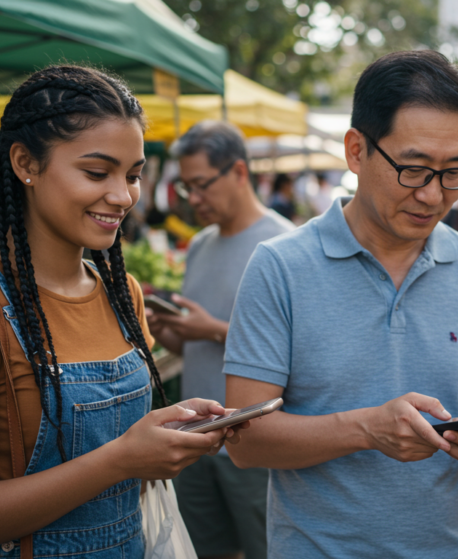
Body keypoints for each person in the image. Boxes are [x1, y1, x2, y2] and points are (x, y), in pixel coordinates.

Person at [0, 66, 243, 557]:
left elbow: (124, 446)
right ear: (25, 163)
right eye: (96, 172)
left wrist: (170, 434)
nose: (123, 196)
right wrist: (124, 460)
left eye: (133, 175)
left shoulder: (122, 292)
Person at [222, 50, 458, 559]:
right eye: (413, 169)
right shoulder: (280, 267)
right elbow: (244, 441)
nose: (433, 196)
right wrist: (366, 429)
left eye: (455, 171)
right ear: (356, 151)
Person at [147, 120, 294, 559]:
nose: (194, 198)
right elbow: (194, 350)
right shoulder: (200, 245)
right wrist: (169, 331)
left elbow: (298, 352)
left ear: (239, 173)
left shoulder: (285, 245)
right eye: (186, 186)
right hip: (196, 441)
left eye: (201, 184)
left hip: (255, 445)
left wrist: (209, 328)